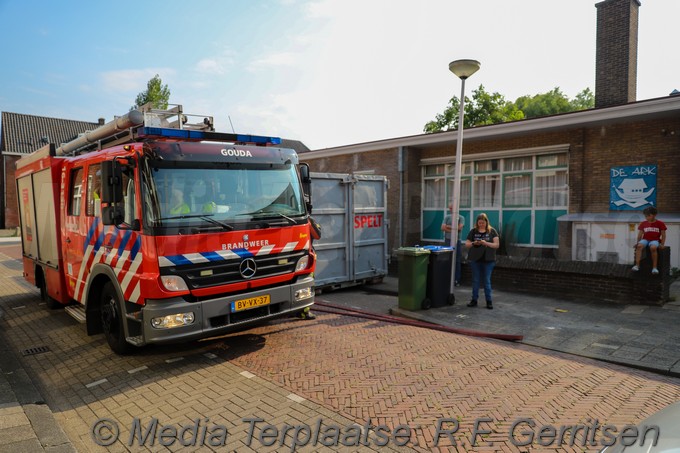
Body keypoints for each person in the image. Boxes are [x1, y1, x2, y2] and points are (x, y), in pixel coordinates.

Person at [464, 213, 500, 309]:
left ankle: (489, 301)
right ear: (477, 223)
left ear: (486, 222)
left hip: (488, 260)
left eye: (483, 223)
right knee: (475, 280)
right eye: (479, 223)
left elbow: (496, 245)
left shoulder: (492, 231)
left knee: (486, 281)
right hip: (475, 260)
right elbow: (466, 244)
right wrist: (473, 243)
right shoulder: (473, 231)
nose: (481, 225)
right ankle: (474, 300)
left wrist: (486, 243)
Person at [632, 206, 666, 275]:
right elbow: (640, 234)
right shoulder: (643, 223)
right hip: (645, 240)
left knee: (653, 248)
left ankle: (654, 268)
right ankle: (637, 265)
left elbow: (663, 235)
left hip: (655, 240)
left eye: (648, 216)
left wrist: (662, 244)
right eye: (645, 216)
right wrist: (638, 243)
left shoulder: (660, 223)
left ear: (654, 215)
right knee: (639, 246)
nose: (647, 217)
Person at [441, 203, 465, 286]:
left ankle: (456, 280)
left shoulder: (461, 217)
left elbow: (459, 228)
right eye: (450, 208)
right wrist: (454, 229)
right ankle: (447, 278)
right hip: (448, 240)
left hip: (457, 241)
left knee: (457, 260)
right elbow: (442, 228)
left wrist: (448, 226)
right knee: (447, 259)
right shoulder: (447, 217)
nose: (450, 210)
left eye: (452, 208)